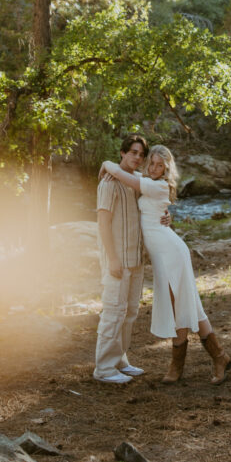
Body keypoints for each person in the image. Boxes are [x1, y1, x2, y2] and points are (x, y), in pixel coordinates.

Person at [99, 144, 231, 386]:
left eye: (161, 165)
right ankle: (220, 356)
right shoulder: (147, 179)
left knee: (178, 305)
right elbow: (133, 177)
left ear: (167, 169)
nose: (155, 168)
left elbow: (123, 175)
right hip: (162, 253)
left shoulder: (157, 185)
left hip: (171, 252)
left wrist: (107, 164)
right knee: (188, 304)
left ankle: (178, 366)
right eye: (152, 163)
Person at [93, 133, 149, 385]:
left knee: (130, 312)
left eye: (141, 154)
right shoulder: (108, 183)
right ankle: (103, 368)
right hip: (118, 260)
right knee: (113, 312)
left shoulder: (138, 182)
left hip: (136, 258)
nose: (137, 157)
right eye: (133, 152)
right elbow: (103, 223)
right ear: (123, 153)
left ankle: (119, 360)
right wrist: (112, 259)